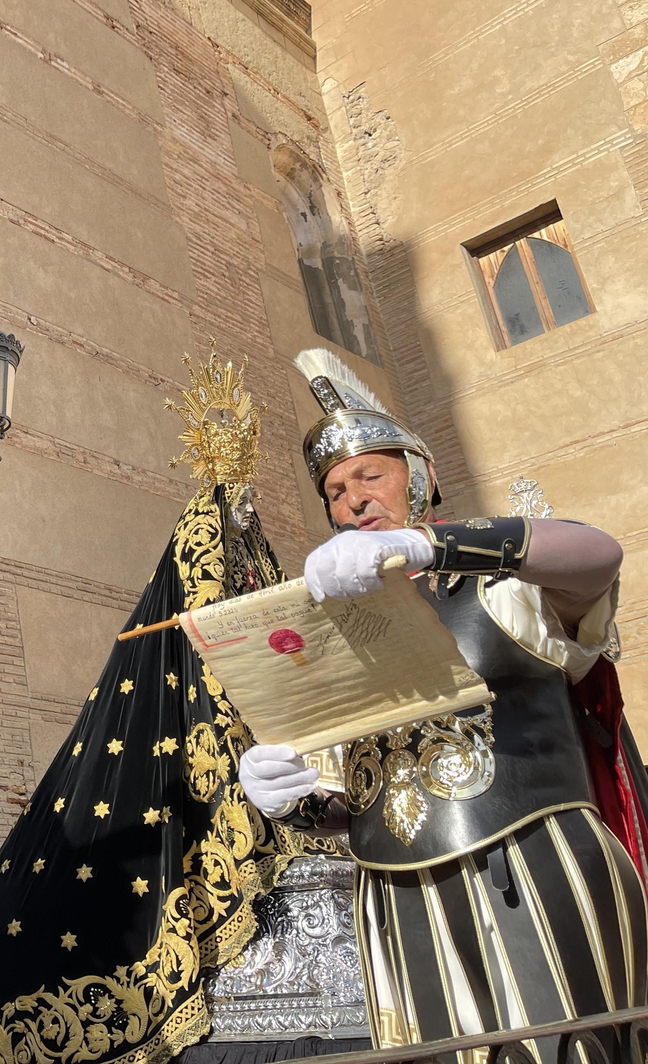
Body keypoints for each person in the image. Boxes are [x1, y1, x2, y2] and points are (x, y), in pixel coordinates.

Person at [238, 349, 647, 1059]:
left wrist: (430, 545)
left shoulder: (502, 587)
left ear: (421, 476)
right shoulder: (341, 634)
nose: (352, 500)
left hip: (528, 859)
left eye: (371, 476)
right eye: (334, 491)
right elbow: (355, 800)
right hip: (395, 899)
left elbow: (598, 556)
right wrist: (289, 798)